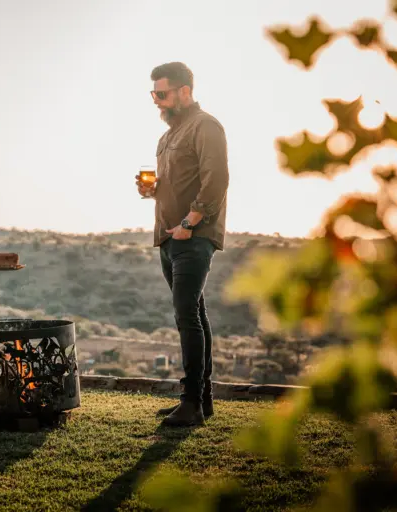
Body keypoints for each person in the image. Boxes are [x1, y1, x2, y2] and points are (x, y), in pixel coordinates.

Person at [136, 62, 229, 427]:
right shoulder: (169, 136)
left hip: (192, 235)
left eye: (162, 94)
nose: (157, 101)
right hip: (169, 237)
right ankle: (201, 402)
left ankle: (190, 402)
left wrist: (191, 221)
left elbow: (217, 178)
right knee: (195, 314)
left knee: (186, 315)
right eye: (153, 94)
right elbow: (176, 182)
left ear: (184, 92)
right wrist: (152, 190)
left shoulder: (205, 126)